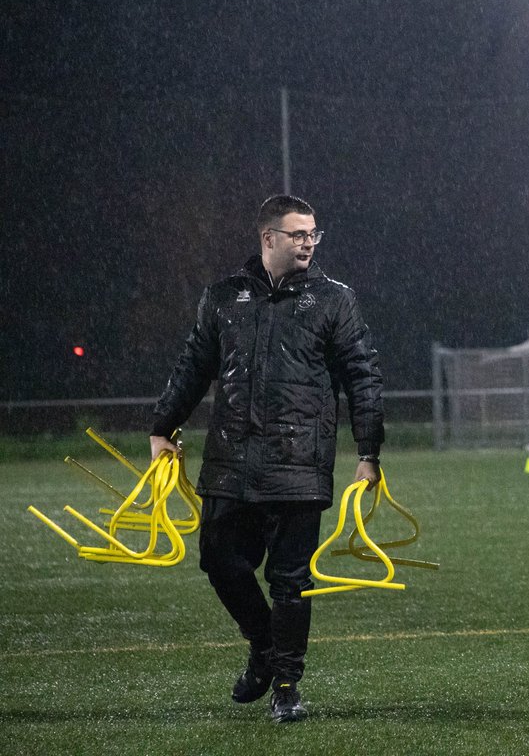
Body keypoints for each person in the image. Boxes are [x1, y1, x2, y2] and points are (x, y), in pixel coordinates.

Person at [150, 195, 384, 723]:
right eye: (298, 233)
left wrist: (369, 451)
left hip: (299, 465)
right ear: (267, 238)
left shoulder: (334, 300)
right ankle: (263, 647)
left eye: (313, 234)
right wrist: (162, 426)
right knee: (219, 562)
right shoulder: (223, 297)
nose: (308, 242)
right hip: (230, 461)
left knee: (289, 581)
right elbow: (193, 365)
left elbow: (363, 377)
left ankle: (285, 688)